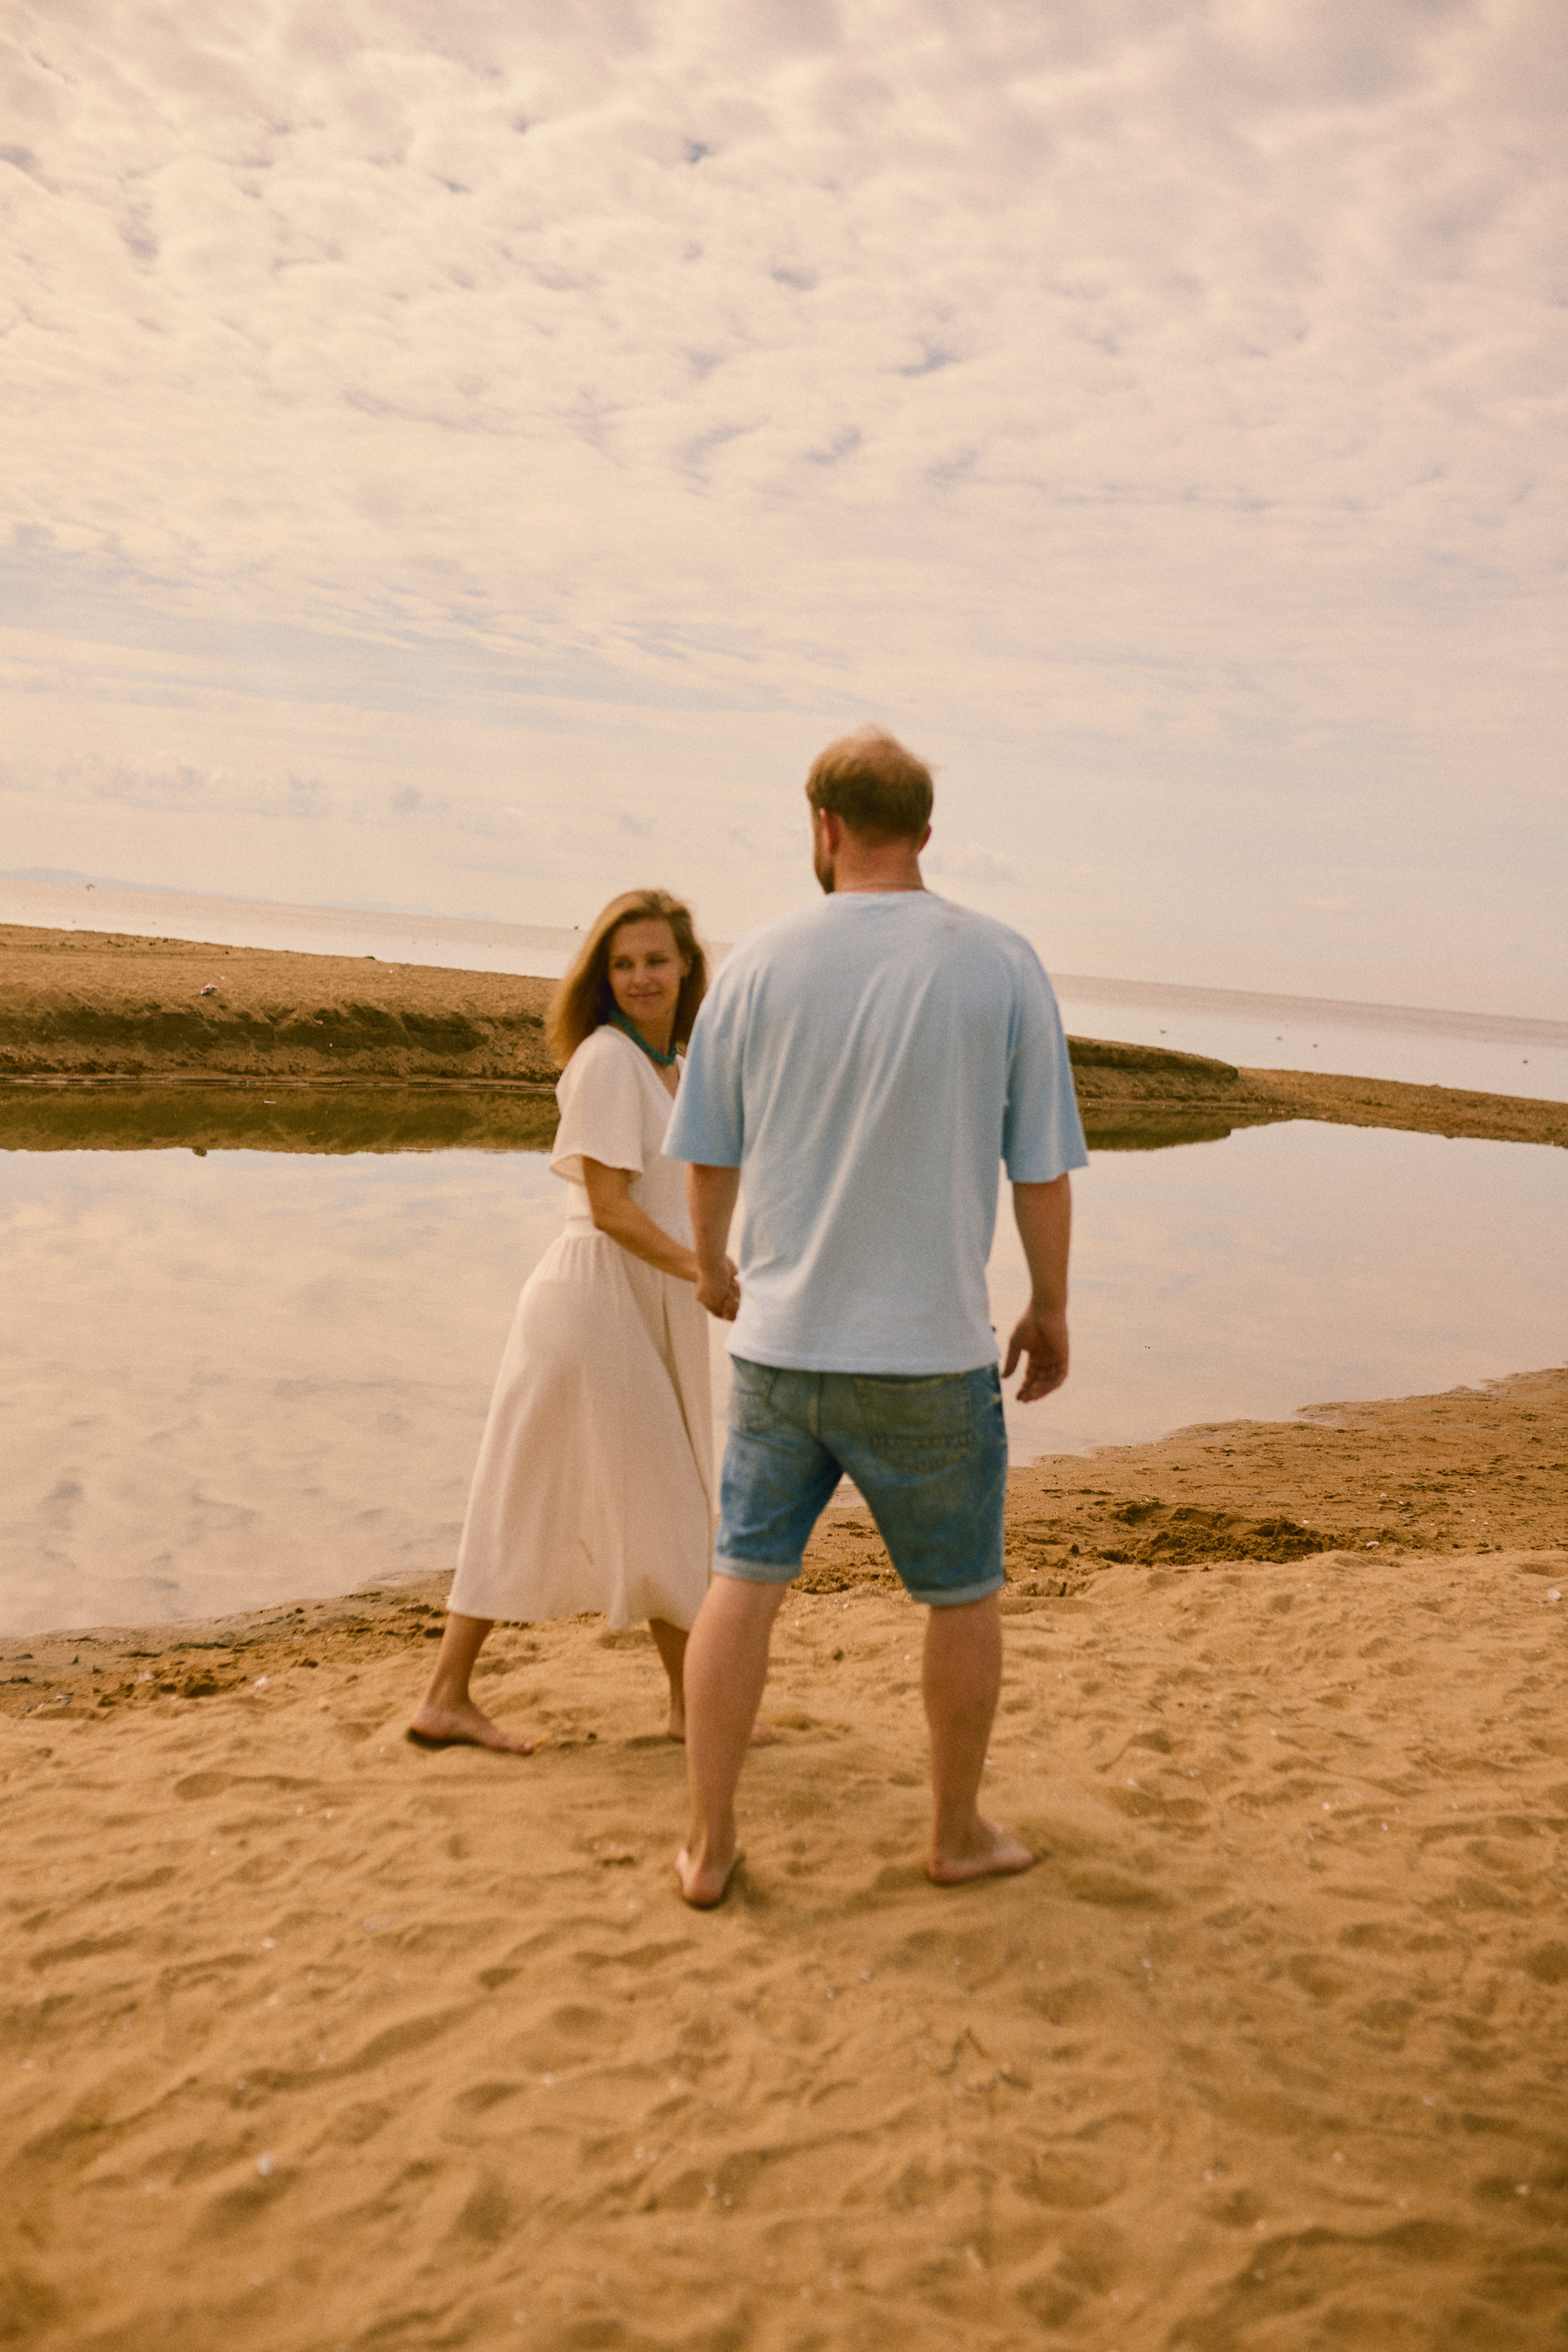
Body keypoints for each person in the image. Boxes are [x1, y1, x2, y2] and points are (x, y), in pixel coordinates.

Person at [663, 728, 1088, 1904]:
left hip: (780, 1347)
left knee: (743, 1583)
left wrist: (711, 1267)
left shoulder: (756, 964)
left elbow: (708, 1152)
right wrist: (1050, 1307)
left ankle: (708, 1845)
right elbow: (1040, 1168)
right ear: (925, 832)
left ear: (824, 825)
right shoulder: (999, 962)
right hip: (929, 1357)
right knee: (961, 1597)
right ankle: (954, 1833)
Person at [408, 889, 739, 1754]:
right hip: (593, 1300)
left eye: (656, 960)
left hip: (637, 1298)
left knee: (553, 1496)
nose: (640, 977)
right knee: (659, 1500)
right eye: (623, 964)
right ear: (603, 976)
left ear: (686, 966)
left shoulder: (675, 1066)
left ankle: (452, 1696)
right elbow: (609, 1207)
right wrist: (701, 1270)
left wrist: (710, 1262)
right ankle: (682, 1706)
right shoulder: (605, 1061)